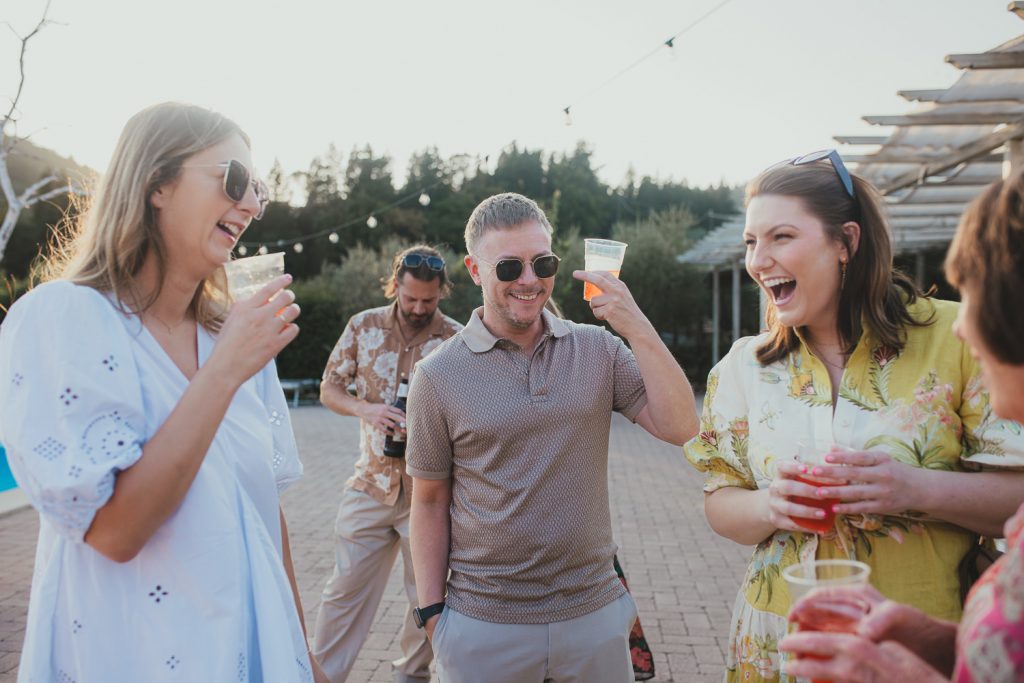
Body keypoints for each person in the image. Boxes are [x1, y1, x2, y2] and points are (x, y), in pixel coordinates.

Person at [0, 102, 327, 681]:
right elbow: (116, 532)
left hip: (254, 653)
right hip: (136, 654)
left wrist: (304, 655)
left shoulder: (233, 338)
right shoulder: (62, 318)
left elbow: (264, 511)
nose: (251, 205)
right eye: (233, 180)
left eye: (259, 191)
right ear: (157, 182)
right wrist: (223, 372)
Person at [682, 151, 1024, 682]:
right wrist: (772, 504)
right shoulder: (743, 365)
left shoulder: (959, 336)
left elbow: (1019, 494)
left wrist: (914, 488)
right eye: (751, 242)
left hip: (916, 639)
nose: (758, 260)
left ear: (845, 242)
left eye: (781, 237)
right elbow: (719, 504)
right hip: (778, 641)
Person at [406, 192, 699, 683]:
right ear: (475, 271)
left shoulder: (597, 349)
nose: (529, 279)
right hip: (483, 623)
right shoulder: (437, 376)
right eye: (508, 267)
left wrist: (636, 326)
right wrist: (434, 616)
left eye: (542, 262)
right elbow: (429, 501)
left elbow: (680, 427)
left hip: (594, 614)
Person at [778, 168, 1024, 682]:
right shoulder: (748, 363)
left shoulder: (943, 341)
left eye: (974, 291)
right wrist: (929, 639)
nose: (958, 323)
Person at [311, 245, 462, 682]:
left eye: (428, 301)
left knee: (426, 597)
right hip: (369, 484)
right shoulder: (362, 325)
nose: (418, 309)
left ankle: (411, 677)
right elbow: (329, 388)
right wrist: (367, 410)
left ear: (442, 292)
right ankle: (320, 677)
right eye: (410, 298)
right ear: (395, 286)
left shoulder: (456, 339)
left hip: (429, 495)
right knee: (342, 593)